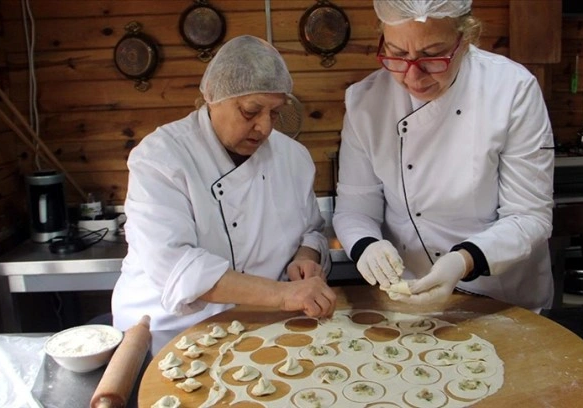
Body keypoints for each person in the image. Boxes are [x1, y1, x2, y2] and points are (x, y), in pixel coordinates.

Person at [333, 0, 555, 311]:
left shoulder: (511, 91)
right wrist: (367, 246)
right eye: (397, 54)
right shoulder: (366, 102)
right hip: (409, 293)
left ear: (465, 39)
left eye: (432, 56)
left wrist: (462, 261)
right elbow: (355, 209)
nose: (413, 77)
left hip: (499, 296)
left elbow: (530, 216)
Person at [112, 35, 336, 332]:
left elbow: (312, 231)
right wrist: (284, 295)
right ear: (212, 97)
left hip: (261, 327)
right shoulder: (160, 158)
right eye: (250, 111)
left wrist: (306, 257)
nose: (265, 127)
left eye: (275, 112)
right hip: (168, 330)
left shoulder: (293, 157)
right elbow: (178, 268)